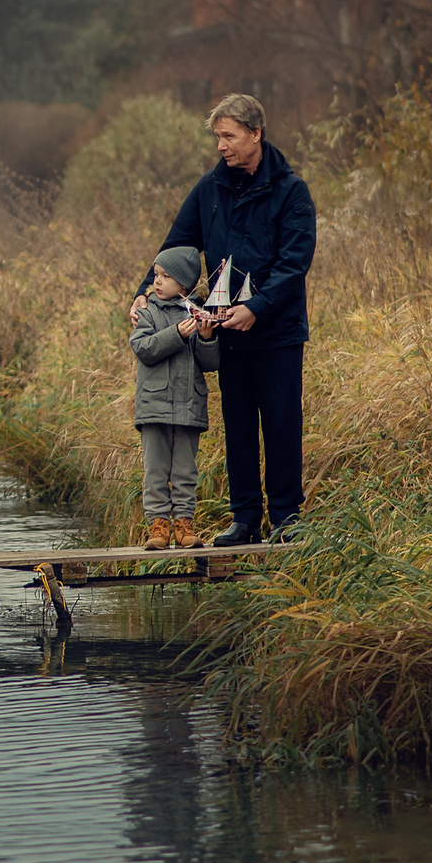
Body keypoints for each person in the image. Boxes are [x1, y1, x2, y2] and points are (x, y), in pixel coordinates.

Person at [131, 93, 316, 546]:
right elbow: (175, 245)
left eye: (229, 136)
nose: (221, 146)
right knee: (237, 426)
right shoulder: (208, 190)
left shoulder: (292, 192)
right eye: (217, 136)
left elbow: (295, 262)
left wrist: (257, 308)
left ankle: (287, 519)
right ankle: (246, 519)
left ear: (256, 134)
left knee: (280, 424)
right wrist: (141, 293)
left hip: (277, 332)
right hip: (225, 334)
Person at [130, 245, 218, 549]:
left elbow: (210, 364)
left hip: (188, 407)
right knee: (155, 472)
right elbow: (143, 349)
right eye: (156, 274)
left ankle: (184, 525)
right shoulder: (148, 311)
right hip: (153, 408)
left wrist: (206, 337)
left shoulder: (197, 313)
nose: (157, 281)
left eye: (165, 276)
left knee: (185, 471)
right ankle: (158, 527)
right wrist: (177, 335)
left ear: (184, 284)